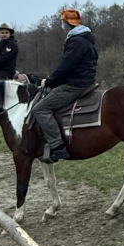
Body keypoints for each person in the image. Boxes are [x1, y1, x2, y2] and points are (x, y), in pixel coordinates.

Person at [31, 8, 98, 162]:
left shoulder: (76, 40)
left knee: (40, 109)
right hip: (86, 81)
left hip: (75, 84)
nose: (62, 25)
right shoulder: (87, 38)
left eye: (63, 22)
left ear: (68, 23)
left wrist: (49, 81)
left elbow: (66, 66)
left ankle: (57, 146)